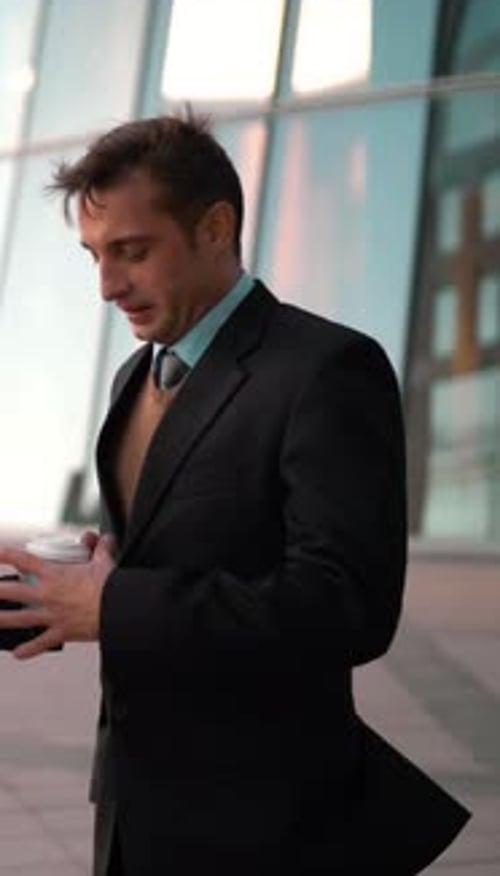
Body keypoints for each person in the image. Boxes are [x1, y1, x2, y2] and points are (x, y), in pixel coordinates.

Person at [0, 113, 469, 875]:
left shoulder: (326, 369)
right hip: (135, 814)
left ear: (215, 228)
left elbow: (348, 604)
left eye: (133, 251)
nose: (108, 286)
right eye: (94, 255)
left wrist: (115, 606)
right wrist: (62, 594)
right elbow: (157, 562)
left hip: (265, 826)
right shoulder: (134, 378)